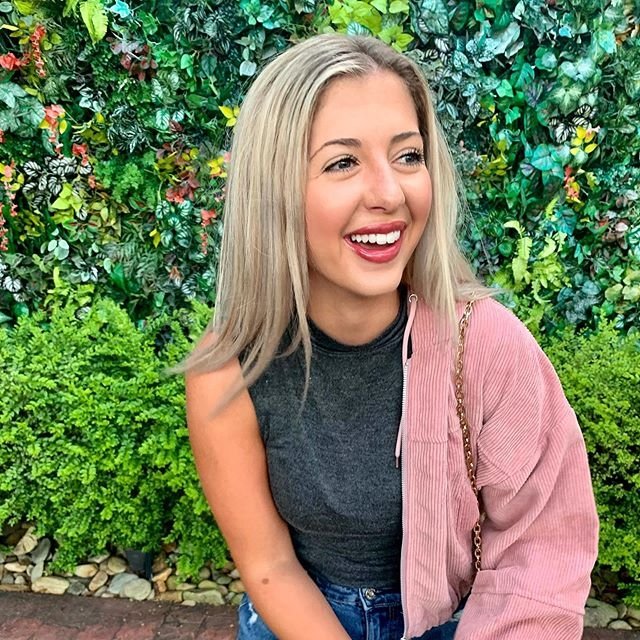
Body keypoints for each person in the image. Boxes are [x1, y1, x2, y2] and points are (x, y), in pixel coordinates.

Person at [183, 34, 599, 640]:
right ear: (273, 190)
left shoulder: (484, 344)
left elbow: (540, 548)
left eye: (408, 156)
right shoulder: (228, 369)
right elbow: (269, 567)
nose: (389, 193)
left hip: (459, 620)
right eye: (342, 162)